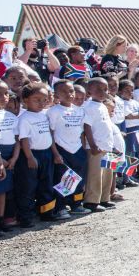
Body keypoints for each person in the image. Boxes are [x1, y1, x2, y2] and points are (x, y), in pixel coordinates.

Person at [16, 82, 65, 225]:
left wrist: (55, 154)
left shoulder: (45, 115)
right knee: (28, 187)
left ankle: (46, 212)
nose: (41, 103)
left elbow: (49, 136)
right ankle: (26, 217)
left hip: (46, 154)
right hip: (31, 155)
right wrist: (30, 157)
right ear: (26, 100)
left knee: (46, 184)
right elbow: (23, 139)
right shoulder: (24, 118)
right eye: (36, 100)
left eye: (44, 100)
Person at [47, 80, 90, 215]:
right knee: (63, 179)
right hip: (62, 150)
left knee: (78, 178)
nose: (69, 94)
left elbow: (82, 133)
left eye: (71, 90)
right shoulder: (53, 111)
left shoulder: (79, 111)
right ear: (56, 95)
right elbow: (51, 134)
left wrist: (84, 150)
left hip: (77, 150)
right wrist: (55, 154)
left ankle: (76, 204)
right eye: (64, 91)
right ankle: (60, 207)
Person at [82, 78, 116, 212]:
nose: (102, 92)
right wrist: (93, 145)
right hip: (96, 147)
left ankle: (104, 198)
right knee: (95, 175)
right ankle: (91, 201)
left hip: (107, 145)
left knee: (107, 174)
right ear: (89, 91)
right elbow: (87, 127)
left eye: (105, 89)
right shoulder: (89, 107)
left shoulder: (103, 105)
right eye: (98, 89)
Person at [0, 81, 19, 233]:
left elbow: (17, 139)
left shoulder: (10, 115)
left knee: (2, 191)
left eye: (6, 93)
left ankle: (0, 220)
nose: (4, 97)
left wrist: (14, 158)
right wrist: (0, 162)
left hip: (10, 157)